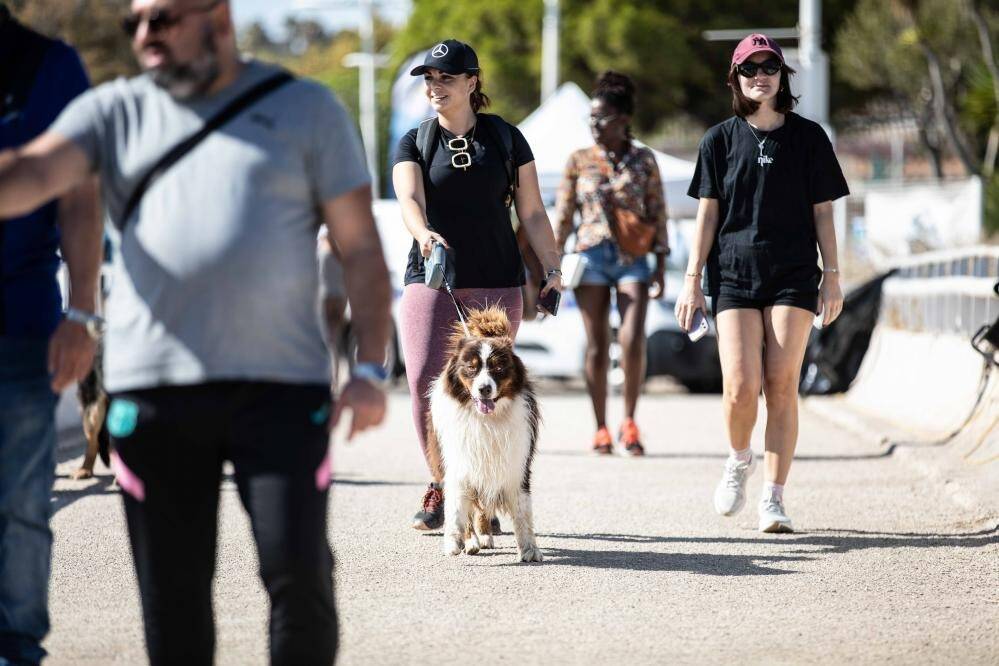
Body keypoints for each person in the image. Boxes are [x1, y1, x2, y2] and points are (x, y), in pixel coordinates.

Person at [0, 1, 392, 663]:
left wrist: (372, 369)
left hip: (283, 391)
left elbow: (359, 249)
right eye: (135, 23)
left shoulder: (306, 109)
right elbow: (33, 174)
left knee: (298, 576)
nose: (145, 36)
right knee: (173, 597)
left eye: (163, 18)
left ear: (219, 17)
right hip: (154, 398)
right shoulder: (115, 111)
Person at [676, 34, 848, 533]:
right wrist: (692, 282)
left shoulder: (810, 137)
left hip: (794, 275)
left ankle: (773, 499)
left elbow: (823, 212)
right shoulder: (718, 140)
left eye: (769, 67)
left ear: (782, 76)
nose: (760, 76)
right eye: (749, 69)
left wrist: (831, 277)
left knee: (781, 385)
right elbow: (706, 217)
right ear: (735, 78)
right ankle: (738, 459)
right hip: (732, 274)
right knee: (740, 388)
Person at [392, 39, 563, 531]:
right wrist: (423, 234)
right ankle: (444, 486)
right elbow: (408, 197)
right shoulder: (416, 141)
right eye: (429, 79)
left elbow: (531, 211)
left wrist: (552, 269)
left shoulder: (506, 139)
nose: (435, 87)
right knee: (427, 384)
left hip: (496, 281)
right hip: (432, 277)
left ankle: (486, 497)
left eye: (445, 78)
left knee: (489, 390)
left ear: (472, 82)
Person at [0, 7, 99, 664]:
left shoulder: (46, 65)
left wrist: (83, 313)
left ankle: (16, 646)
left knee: (20, 507)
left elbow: (81, 198)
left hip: (20, 322)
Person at [554, 71, 669, 457]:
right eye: (590, 120)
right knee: (597, 346)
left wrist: (661, 262)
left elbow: (658, 210)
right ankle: (601, 426)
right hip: (590, 257)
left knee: (633, 338)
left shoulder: (644, 159)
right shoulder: (578, 160)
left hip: (633, 258)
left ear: (623, 120)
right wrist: (551, 264)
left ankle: (630, 421)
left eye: (601, 119)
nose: (594, 127)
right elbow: (565, 215)